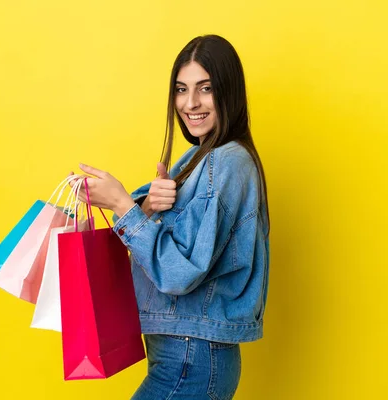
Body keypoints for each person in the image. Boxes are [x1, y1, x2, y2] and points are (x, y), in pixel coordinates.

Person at [69, 34, 270, 400]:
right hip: (185, 353)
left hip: (191, 356)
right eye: (181, 89)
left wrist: (123, 207)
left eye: (205, 88)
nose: (190, 103)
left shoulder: (226, 162)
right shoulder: (196, 159)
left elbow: (180, 274)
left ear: (229, 92)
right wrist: (146, 207)